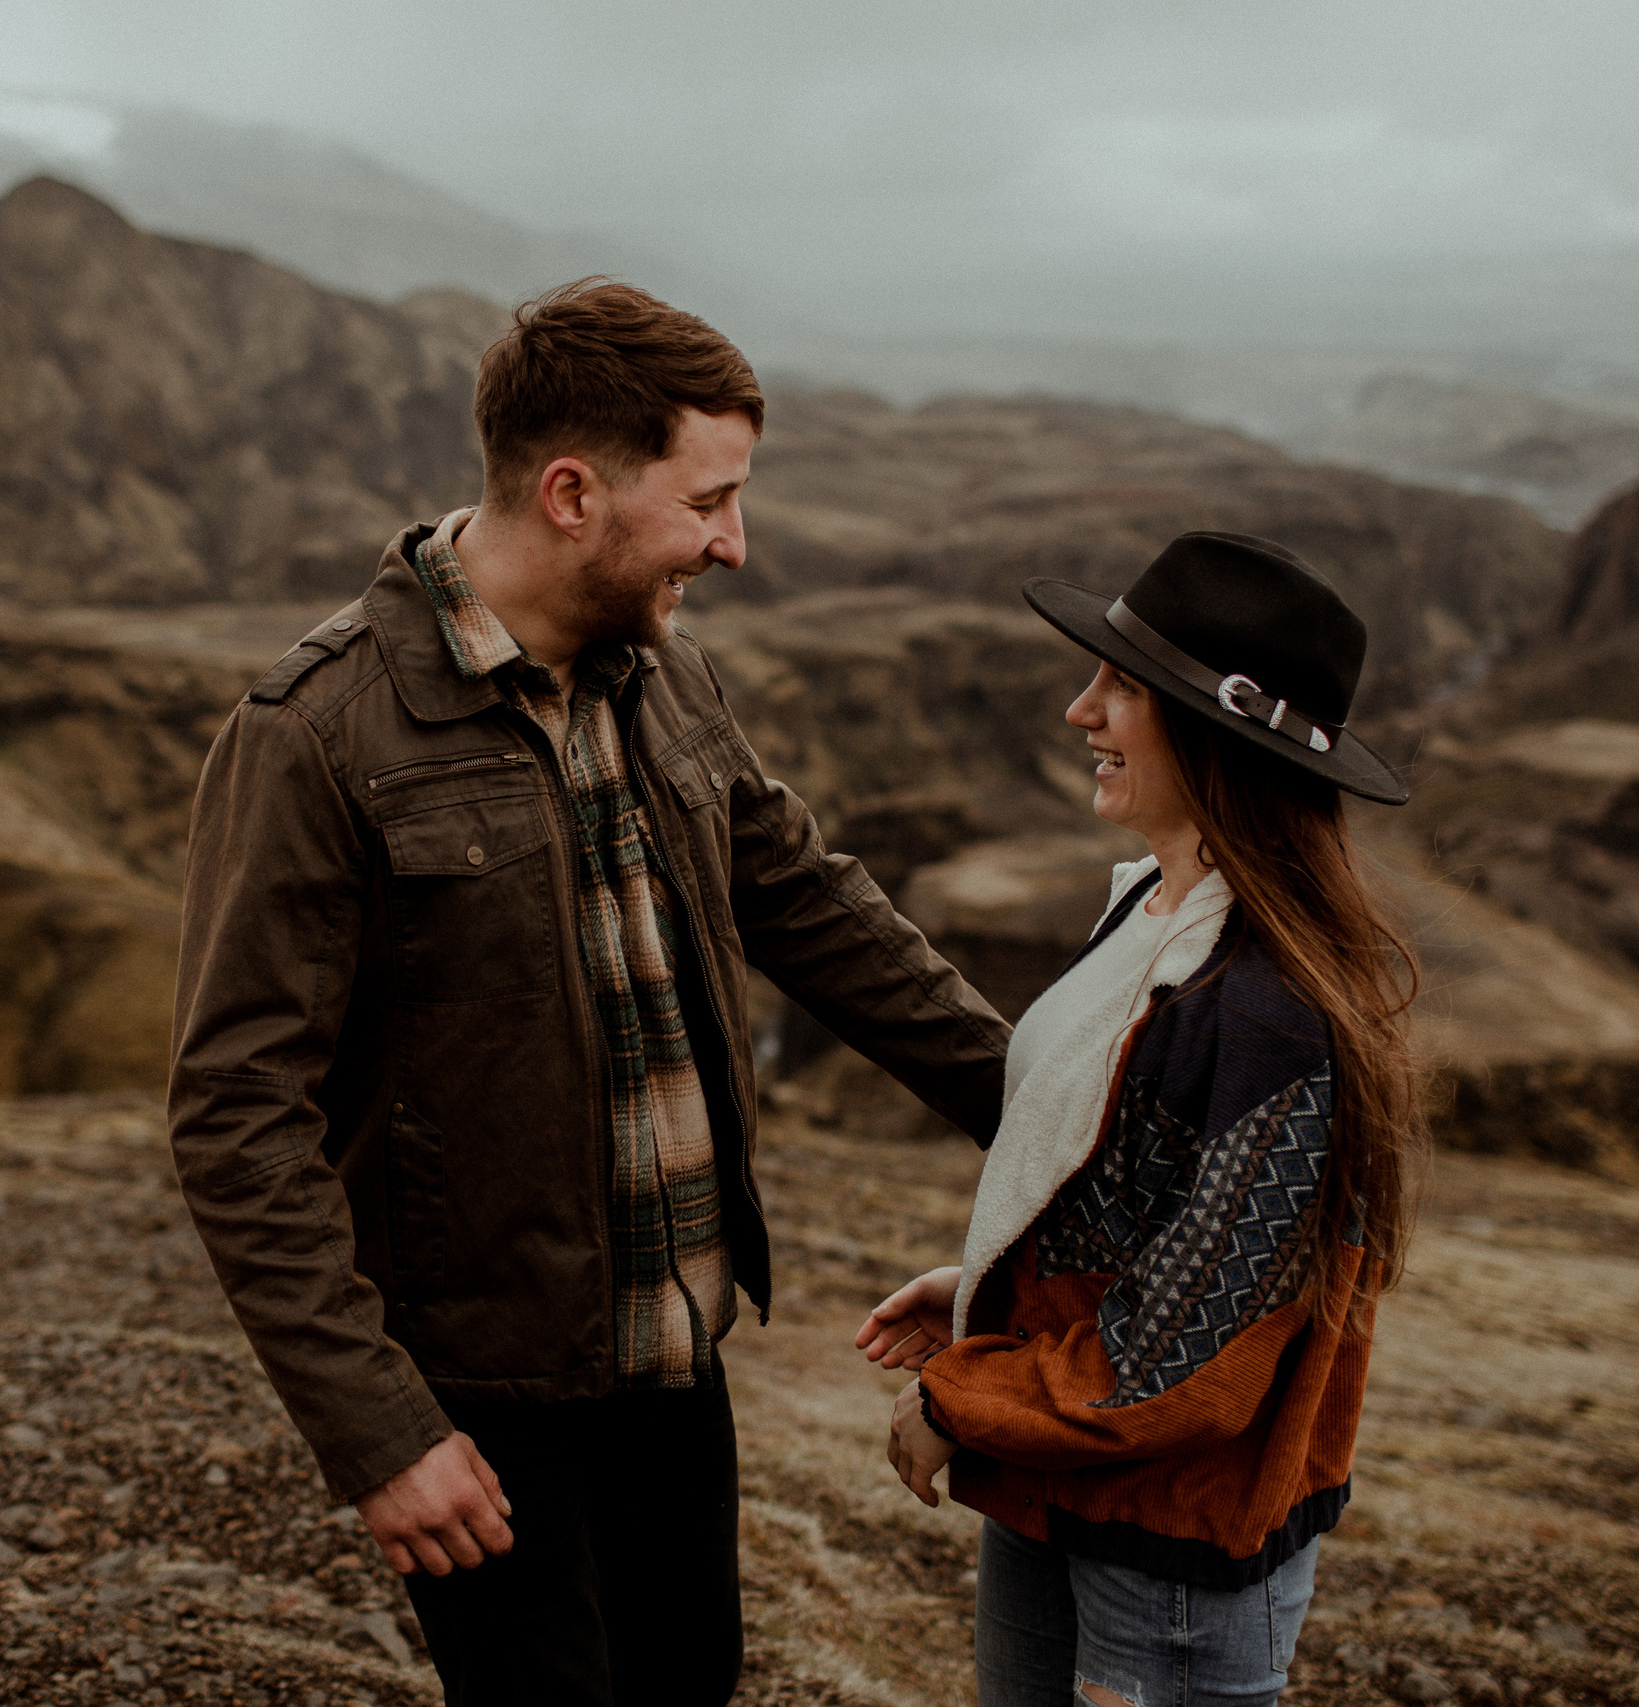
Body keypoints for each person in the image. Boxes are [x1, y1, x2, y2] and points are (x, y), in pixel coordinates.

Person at [168, 278, 1011, 1707]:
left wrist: (1066, 1119)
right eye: (710, 500)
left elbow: (812, 903)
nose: (735, 544)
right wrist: (379, 1430)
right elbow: (236, 1112)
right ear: (573, 492)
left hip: (676, 1362)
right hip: (485, 1397)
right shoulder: (316, 731)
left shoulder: (666, 679)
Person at [856, 531, 1423, 1707]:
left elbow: (1182, 1355)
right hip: (1061, 1482)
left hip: (1169, 1547)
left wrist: (957, 1394)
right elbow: (1145, 1198)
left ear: (1211, 731)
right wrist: (991, 1289)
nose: (1080, 712)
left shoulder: (1270, 1014)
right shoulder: (1157, 917)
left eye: (1120, 688)